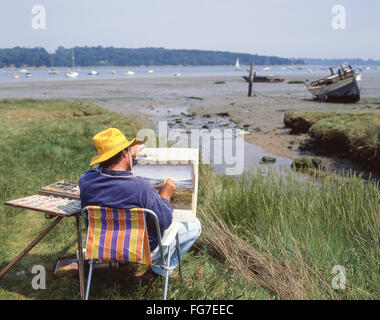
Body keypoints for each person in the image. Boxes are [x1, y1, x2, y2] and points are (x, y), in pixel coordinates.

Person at [79, 128, 201, 276]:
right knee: (195, 226)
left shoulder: (86, 181)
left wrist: (128, 153)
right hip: (140, 250)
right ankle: (160, 268)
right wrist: (166, 195)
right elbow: (165, 221)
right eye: (128, 151)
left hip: (102, 246)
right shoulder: (141, 188)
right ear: (125, 154)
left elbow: (94, 171)